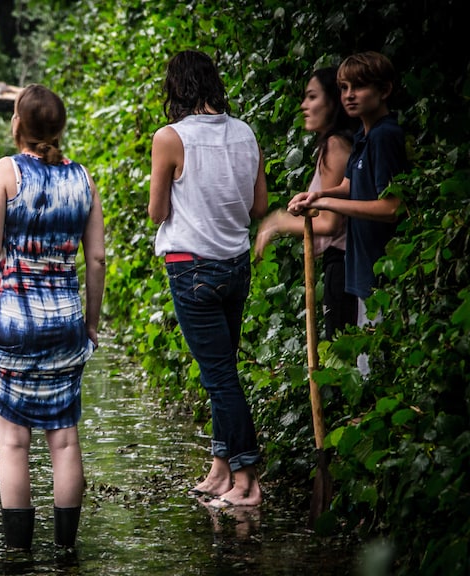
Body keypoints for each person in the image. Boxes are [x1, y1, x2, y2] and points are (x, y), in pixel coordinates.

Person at [0, 84, 105, 550]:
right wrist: (90, 323)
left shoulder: (6, 171)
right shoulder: (83, 179)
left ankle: (18, 553)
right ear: (61, 128)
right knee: (64, 441)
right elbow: (97, 260)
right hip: (64, 321)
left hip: (11, 322)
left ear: (17, 124)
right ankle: (66, 550)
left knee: (14, 443)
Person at [148, 50, 268, 508]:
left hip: (191, 267)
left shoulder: (170, 137)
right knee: (223, 371)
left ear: (175, 88)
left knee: (219, 377)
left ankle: (247, 479)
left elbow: (158, 211)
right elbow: (259, 207)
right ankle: (221, 468)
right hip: (236, 266)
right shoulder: (245, 133)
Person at [288, 51, 407, 373]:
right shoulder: (362, 135)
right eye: (343, 88)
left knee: (376, 367)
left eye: (359, 87)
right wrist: (317, 195)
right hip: (361, 265)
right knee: (363, 358)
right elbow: (348, 184)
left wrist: (326, 204)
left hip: (383, 269)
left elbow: (392, 206)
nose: (349, 95)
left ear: (384, 91)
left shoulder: (385, 136)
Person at [255, 67, 358, 341]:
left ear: (333, 102)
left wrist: (278, 222)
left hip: (344, 264)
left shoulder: (335, 146)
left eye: (312, 97)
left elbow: (329, 223)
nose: (304, 106)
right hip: (346, 264)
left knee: (342, 360)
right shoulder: (339, 144)